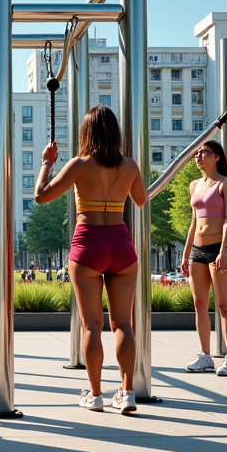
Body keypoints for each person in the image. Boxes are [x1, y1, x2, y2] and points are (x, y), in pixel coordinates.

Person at [33, 106, 146, 413]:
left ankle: (95, 394)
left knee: (91, 326)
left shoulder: (79, 165)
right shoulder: (130, 165)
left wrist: (47, 162)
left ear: (86, 133)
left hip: (88, 246)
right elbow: (140, 199)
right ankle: (127, 392)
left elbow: (40, 195)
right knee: (123, 323)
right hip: (121, 245)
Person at [181, 141, 227, 376]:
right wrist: (186, 254)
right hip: (197, 250)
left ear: (217, 157)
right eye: (197, 153)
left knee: (224, 305)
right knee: (199, 305)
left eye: (204, 152)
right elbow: (194, 222)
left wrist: (223, 251)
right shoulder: (194, 185)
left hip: (218, 248)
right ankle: (205, 356)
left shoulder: (226, 183)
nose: (199, 156)